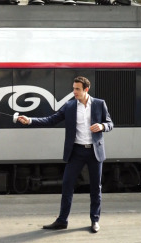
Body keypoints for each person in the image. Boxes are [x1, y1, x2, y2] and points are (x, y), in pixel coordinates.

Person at [17, 76, 113, 233]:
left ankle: (95, 221)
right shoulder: (69, 106)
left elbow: (110, 123)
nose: (74, 91)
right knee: (67, 185)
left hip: (94, 151)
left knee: (96, 188)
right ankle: (62, 221)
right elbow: (51, 120)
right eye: (73, 88)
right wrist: (30, 121)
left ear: (86, 90)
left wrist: (102, 126)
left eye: (77, 89)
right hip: (76, 151)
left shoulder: (99, 104)